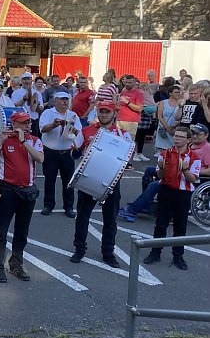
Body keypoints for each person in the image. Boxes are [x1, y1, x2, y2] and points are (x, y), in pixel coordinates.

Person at [68, 102, 132, 268]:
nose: (104, 115)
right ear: (97, 112)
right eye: (101, 111)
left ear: (114, 113)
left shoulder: (123, 135)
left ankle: (108, 252)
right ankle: (79, 249)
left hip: (112, 183)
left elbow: (127, 160)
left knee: (110, 220)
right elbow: (74, 154)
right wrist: (75, 145)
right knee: (83, 216)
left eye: (107, 112)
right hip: (88, 180)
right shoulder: (86, 131)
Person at [0, 112, 43, 282]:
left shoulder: (34, 140)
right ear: (14, 124)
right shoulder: (3, 138)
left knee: (22, 231)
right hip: (8, 190)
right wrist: (1, 140)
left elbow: (40, 158)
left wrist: (24, 141)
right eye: (24, 123)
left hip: (28, 190)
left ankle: (16, 264)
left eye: (29, 122)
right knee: (1, 230)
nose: (28, 125)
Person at [143, 126, 201, 270]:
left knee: (180, 226)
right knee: (160, 224)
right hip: (166, 190)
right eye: (176, 136)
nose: (177, 139)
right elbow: (160, 176)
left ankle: (178, 256)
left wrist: (185, 170)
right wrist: (161, 168)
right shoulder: (165, 153)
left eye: (181, 137)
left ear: (188, 140)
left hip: (183, 194)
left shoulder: (194, 157)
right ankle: (155, 252)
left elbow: (193, 179)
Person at [38, 91, 80, 217]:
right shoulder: (48, 113)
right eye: (62, 100)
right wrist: (54, 124)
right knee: (49, 180)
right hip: (50, 152)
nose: (64, 102)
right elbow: (42, 129)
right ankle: (48, 205)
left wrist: (73, 130)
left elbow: (78, 131)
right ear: (55, 101)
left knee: (68, 181)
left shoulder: (73, 115)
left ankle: (68, 206)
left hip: (67, 152)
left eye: (66, 100)